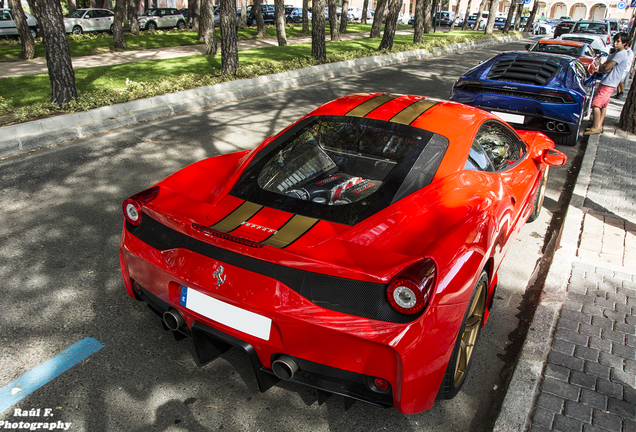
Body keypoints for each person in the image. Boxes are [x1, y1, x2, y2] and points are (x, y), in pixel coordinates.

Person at [584, 32, 631, 135]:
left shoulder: (621, 54)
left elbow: (606, 67)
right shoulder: (615, 53)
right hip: (608, 82)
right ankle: (599, 126)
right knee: (603, 105)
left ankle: (596, 127)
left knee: (596, 104)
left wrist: (602, 66)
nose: (615, 43)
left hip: (609, 83)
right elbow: (605, 66)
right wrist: (603, 66)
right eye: (615, 41)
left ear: (624, 43)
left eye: (618, 41)